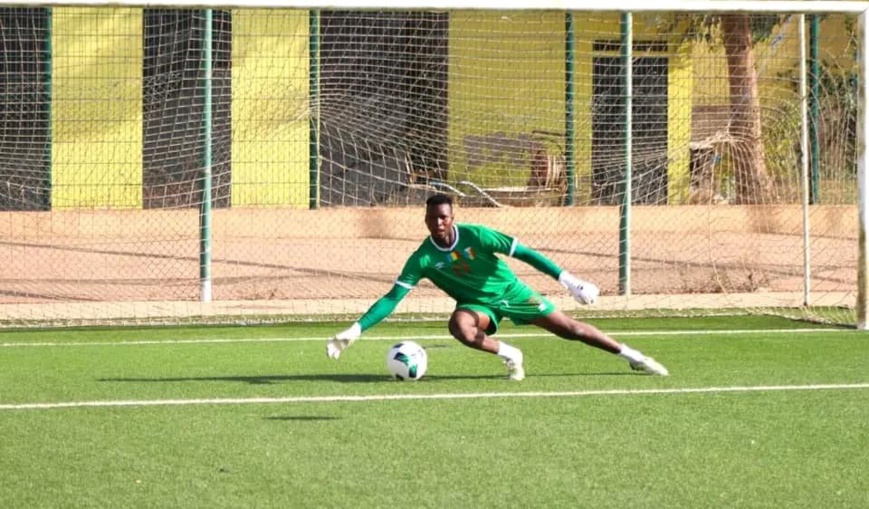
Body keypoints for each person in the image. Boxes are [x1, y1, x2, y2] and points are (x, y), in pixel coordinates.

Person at [326, 193, 668, 380]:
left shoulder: (477, 234)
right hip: (480, 309)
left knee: (570, 330)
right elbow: (392, 298)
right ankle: (510, 354)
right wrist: (355, 330)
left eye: (444, 217)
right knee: (459, 325)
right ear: (426, 220)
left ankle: (633, 357)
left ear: (452, 217)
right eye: (432, 218)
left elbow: (526, 253)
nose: (438, 223)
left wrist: (569, 281)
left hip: (514, 294)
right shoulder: (423, 258)